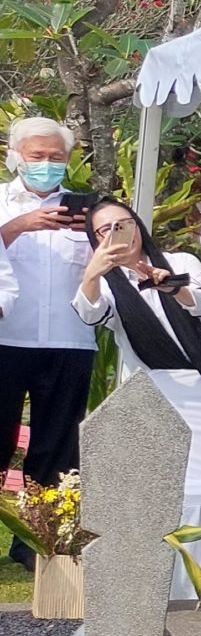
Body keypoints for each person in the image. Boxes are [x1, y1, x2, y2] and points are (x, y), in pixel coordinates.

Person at [0, 116, 92, 562]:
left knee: (57, 442)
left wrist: (97, 233)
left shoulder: (88, 208)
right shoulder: (1, 202)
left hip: (69, 338)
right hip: (7, 336)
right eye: (38, 157)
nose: (47, 165)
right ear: (15, 156)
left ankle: (36, 541)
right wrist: (17, 226)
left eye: (56, 158)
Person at [72, 200, 201, 382]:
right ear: (95, 238)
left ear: (138, 225)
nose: (118, 231)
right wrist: (92, 274)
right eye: (107, 229)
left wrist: (173, 288)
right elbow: (91, 315)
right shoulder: (102, 283)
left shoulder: (181, 262)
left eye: (125, 224)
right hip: (147, 386)